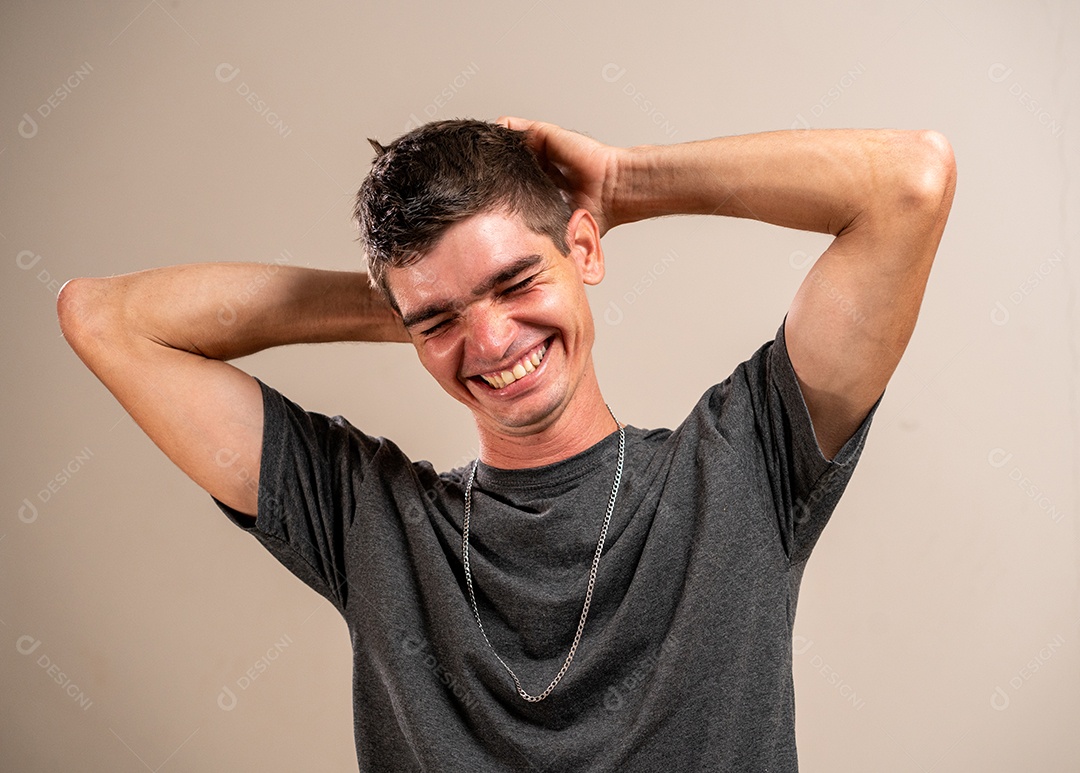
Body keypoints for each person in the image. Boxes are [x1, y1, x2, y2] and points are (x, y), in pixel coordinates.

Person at [57, 115, 955, 771]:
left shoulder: (747, 462)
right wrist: (405, 307)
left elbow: (909, 181)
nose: (487, 344)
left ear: (583, 249)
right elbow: (102, 319)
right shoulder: (372, 521)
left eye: (516, 279)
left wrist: (628, 180)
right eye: (440, 319)